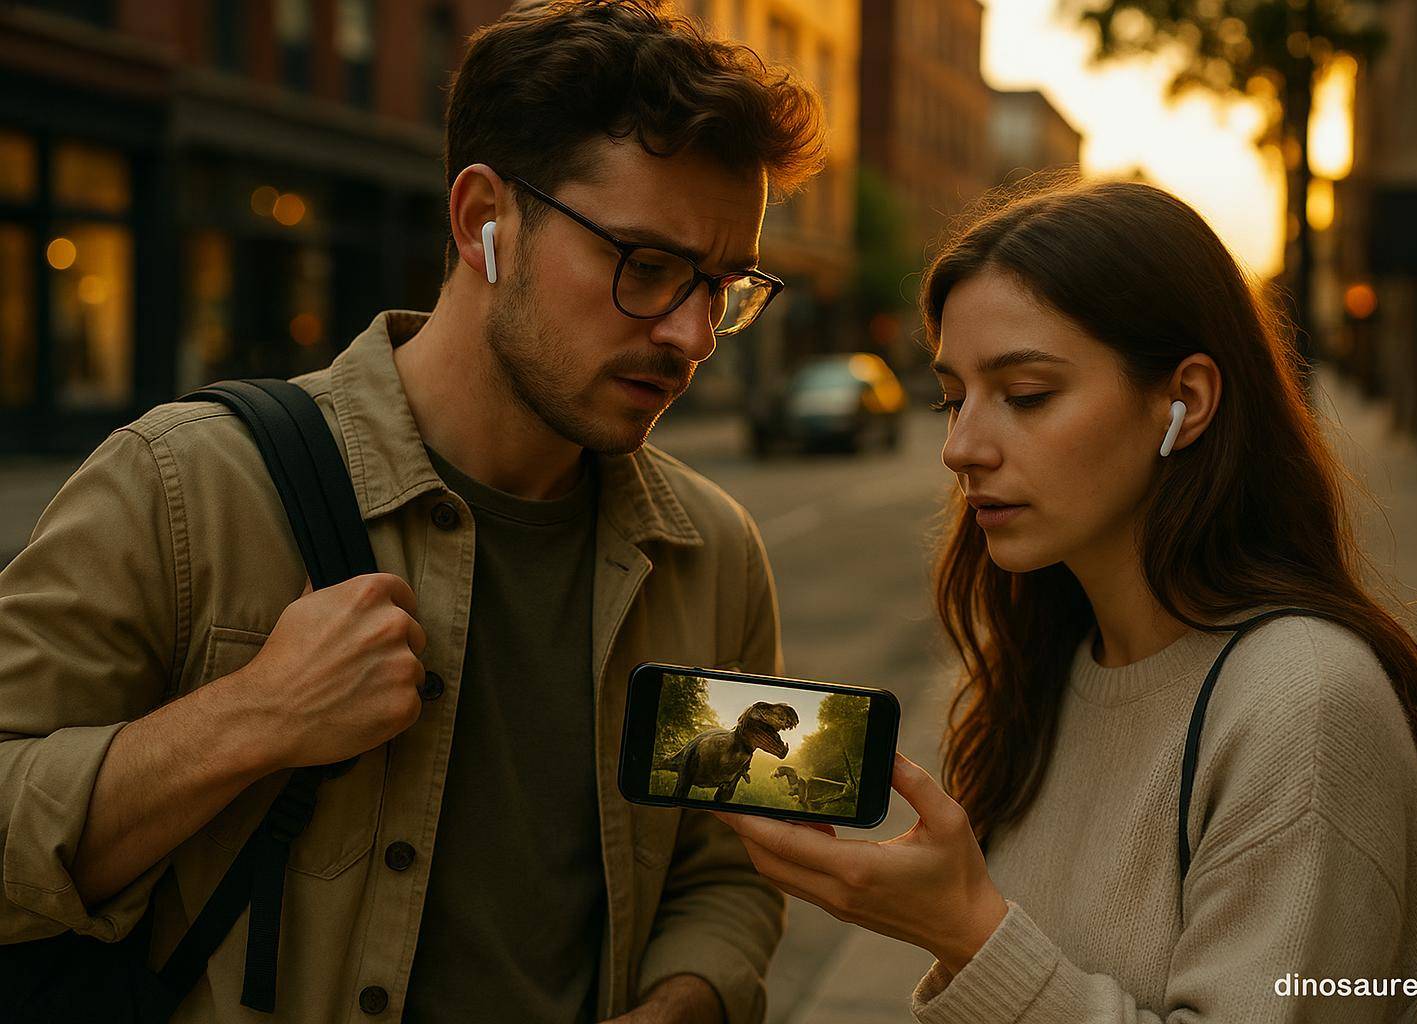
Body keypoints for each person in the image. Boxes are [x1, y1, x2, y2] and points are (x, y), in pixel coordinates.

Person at [0, 2, 825, 1021]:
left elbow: (728, 868)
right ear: (483, 219)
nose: (693, 336)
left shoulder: (712, 553)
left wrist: (683, 1000)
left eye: (724, 286)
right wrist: (250, 719)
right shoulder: (184, 484)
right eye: (647, 267)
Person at [713, 177, 1417, 1022]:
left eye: (1026, 395)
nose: (960, 447)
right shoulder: (1046, 665)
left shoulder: (1303, 704)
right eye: (953, 398)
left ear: (1186, 401)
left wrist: (968, 933)